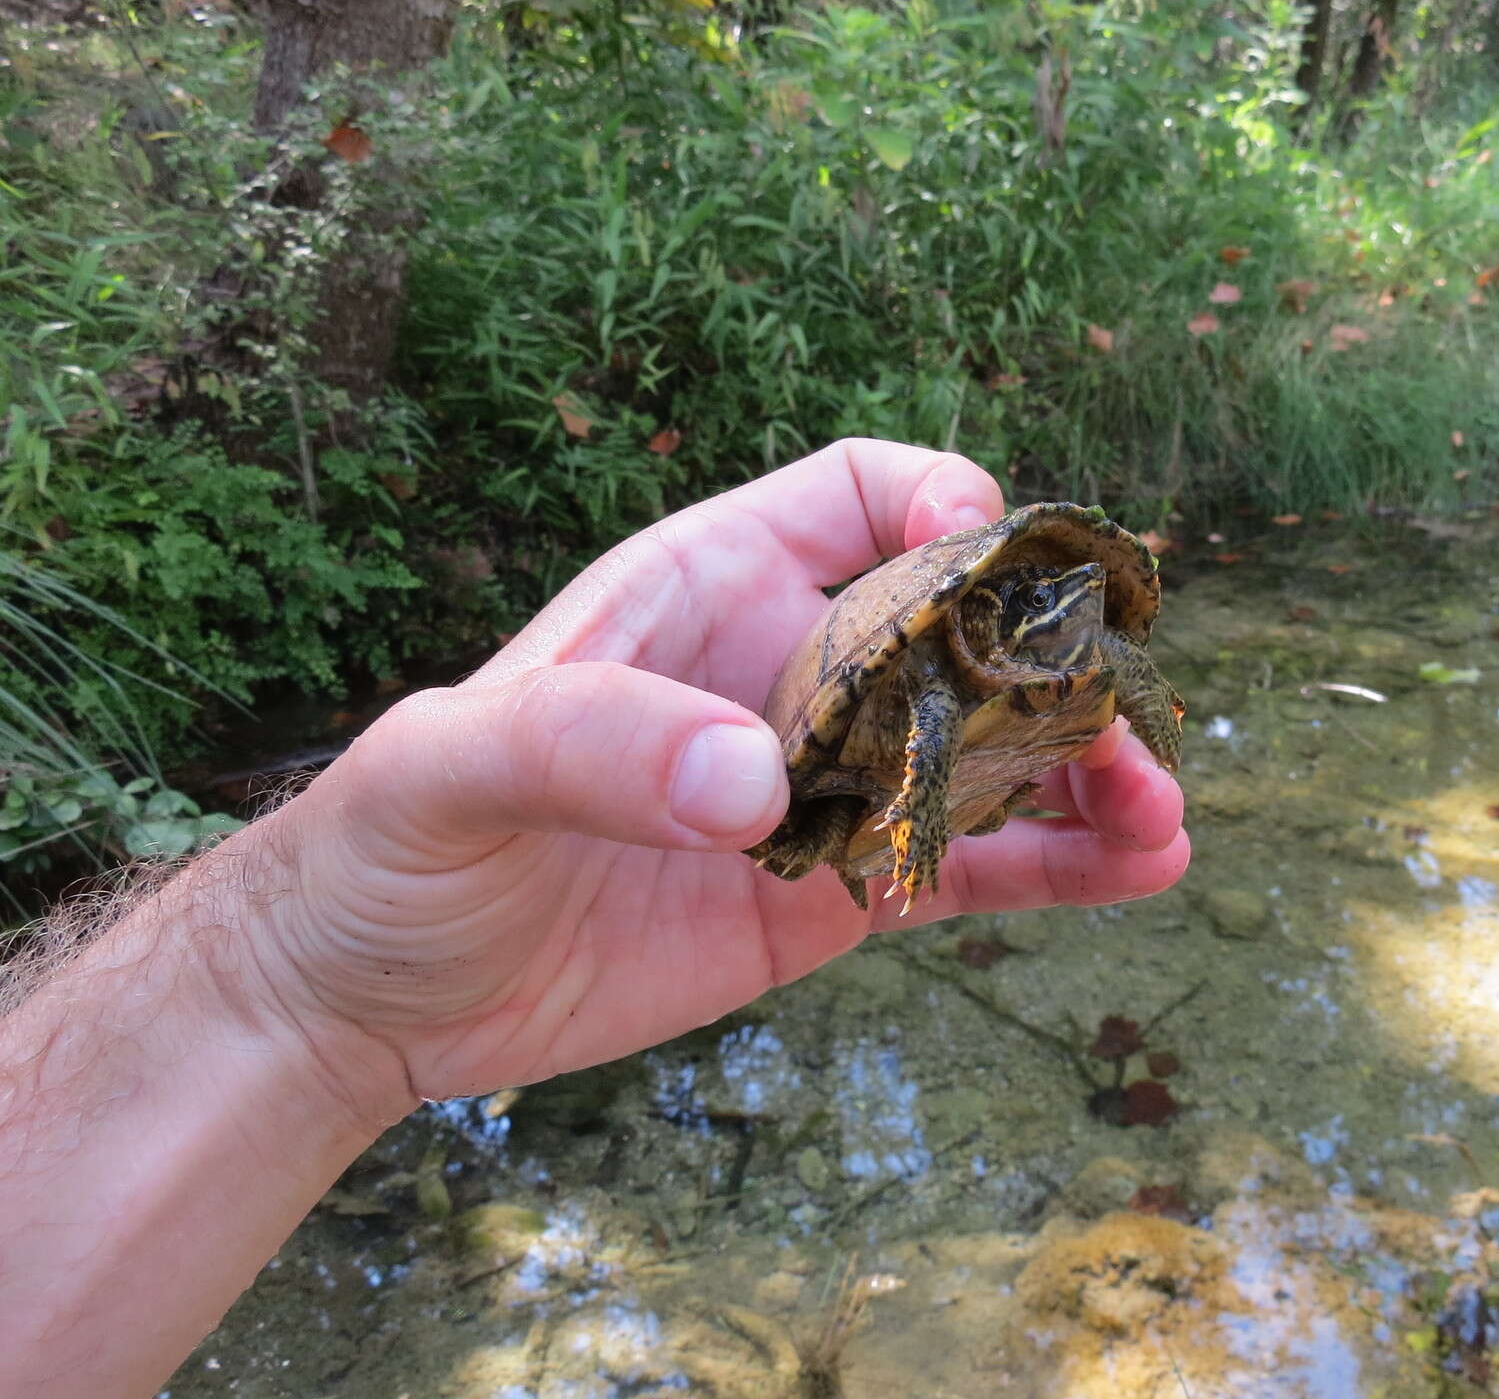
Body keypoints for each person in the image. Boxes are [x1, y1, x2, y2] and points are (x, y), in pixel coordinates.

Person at [0, 439, 1190, 1399]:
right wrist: (302, 987)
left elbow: (1121, 673)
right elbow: (913, 694)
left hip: (995, 754)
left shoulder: (1084, 659)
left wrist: (296, 1000)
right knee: (922, 725)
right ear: (988, 614)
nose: (1070, 606)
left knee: (1125, 791)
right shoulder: (937, 660)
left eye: (1077, 602)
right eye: (1038, 600)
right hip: (877, 758)